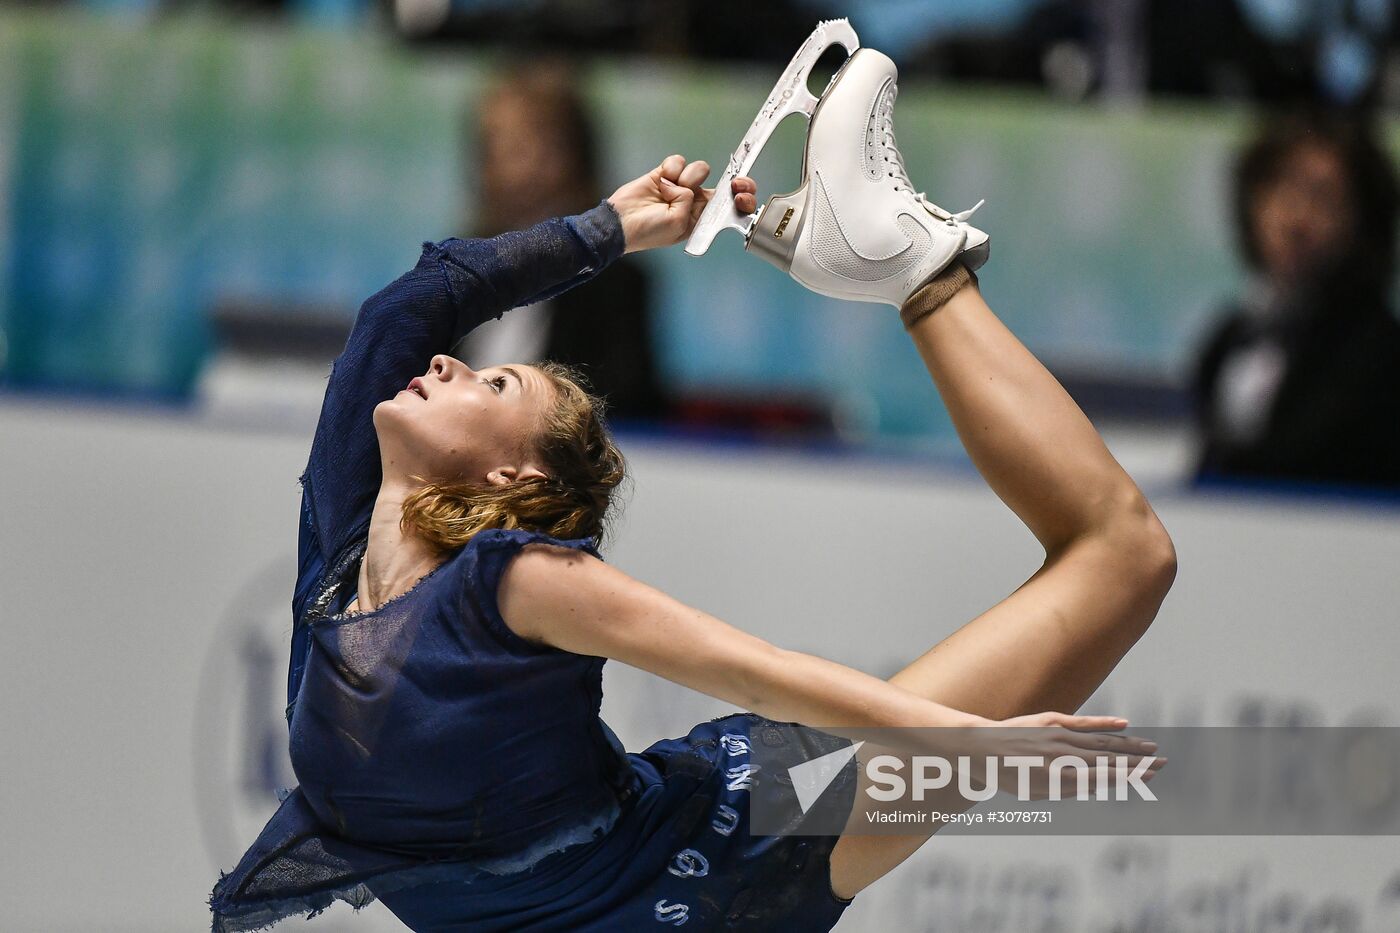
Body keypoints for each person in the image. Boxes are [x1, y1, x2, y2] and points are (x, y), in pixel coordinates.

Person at [209, 154, 1175, 931]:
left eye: (495, 385)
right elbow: (407, 307)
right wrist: (613, 229)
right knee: (1119, 556)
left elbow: (748, 669)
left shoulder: (515, 583)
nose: (450, 360)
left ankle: (918, 270)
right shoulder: (344, 538)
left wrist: (964, 741)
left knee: (1124, 557)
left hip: (715, 862)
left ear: (515, 478)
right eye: (487, 374)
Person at [1193, 109, 1400, 489]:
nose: (1295, 219)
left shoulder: (1377, 351)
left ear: (1363, 218)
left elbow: (1300, 463)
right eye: (1278, 189)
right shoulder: (1228, 337)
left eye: (1322, 196)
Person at [456, 62, 669, 422]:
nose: (491, 162)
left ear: (564, 155)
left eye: (514, 145)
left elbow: (628, 404)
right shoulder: (462, 262)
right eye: (487, 144)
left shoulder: (615, 278)